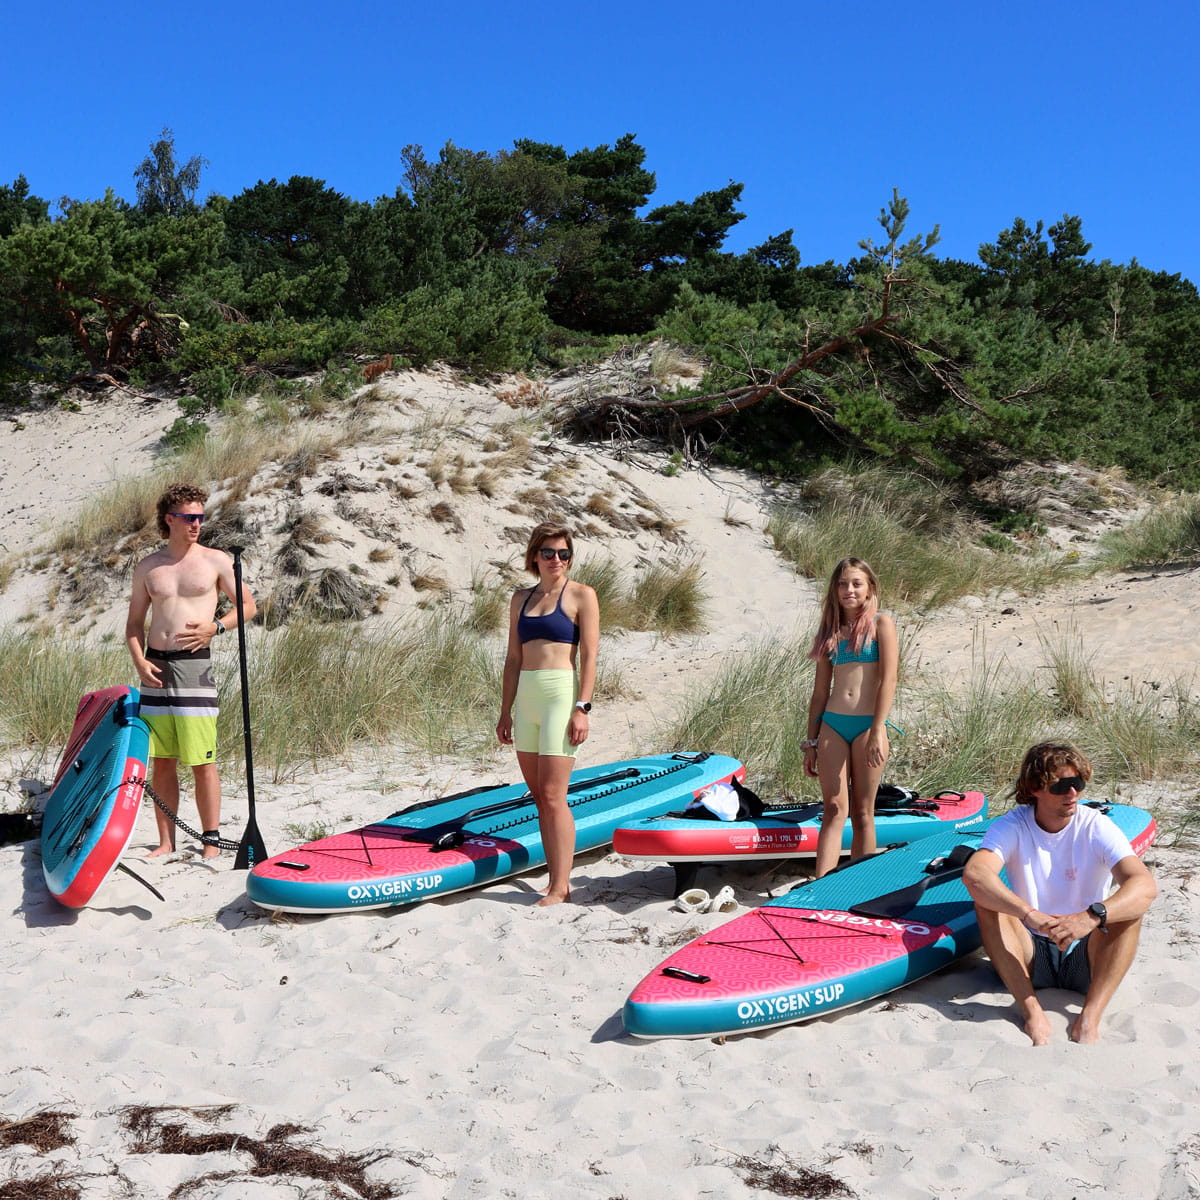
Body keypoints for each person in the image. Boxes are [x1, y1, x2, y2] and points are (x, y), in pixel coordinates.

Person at [963, 742, 1158, 1045]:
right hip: (1032, 950)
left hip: (1087, 951)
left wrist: (1091, 917)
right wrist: (1029, 914)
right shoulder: (1012, 825)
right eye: (1061, 786)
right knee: (986, 904)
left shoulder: (1095, 825)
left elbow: (1144, 885)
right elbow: (975, 875)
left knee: (1129, 910)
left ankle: (1090, 1016)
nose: (1073, 793)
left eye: (1078, 783)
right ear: (1034, 788)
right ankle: (1031, 1010)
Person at [125, 484, 257, 859]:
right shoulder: (149, 567)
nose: (196, 524)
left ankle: (210, 842)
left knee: (202, 758)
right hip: (154, 667)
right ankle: (166, 841)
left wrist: (215, 627)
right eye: (188, 517)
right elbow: (134, 623)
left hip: (194, 667)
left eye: (200, 516)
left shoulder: (216, 561)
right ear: (170, 519)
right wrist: (139, 660)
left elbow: (248, 606)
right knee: (162, 759)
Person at [496, 522, 599, 906]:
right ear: (534, 556)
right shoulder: (520, 598)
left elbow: (589, 656)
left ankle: (560, 886)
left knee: (555, 795)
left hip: (560, 696)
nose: (557, 559)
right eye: (549, 552)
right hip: (527, 699)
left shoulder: (582, 595)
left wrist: (582, 708)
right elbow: (513, 658)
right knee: (540, 796)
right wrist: (505, 711)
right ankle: (555, 878)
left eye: (563, 553)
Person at [803, 556, 898, 877]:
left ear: (870, 588)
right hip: (833, 725)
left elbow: (889, 680)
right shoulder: (829, 631)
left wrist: (878, 729)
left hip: (868, 726)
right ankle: (820, 885)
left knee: (863, 812)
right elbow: (819, 693)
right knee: (833, 808)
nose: (849, 590)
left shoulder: (882, 623)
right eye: (843, 584)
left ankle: (861, 885)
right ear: (834, 589)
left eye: (857, 583)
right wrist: (811, 742)